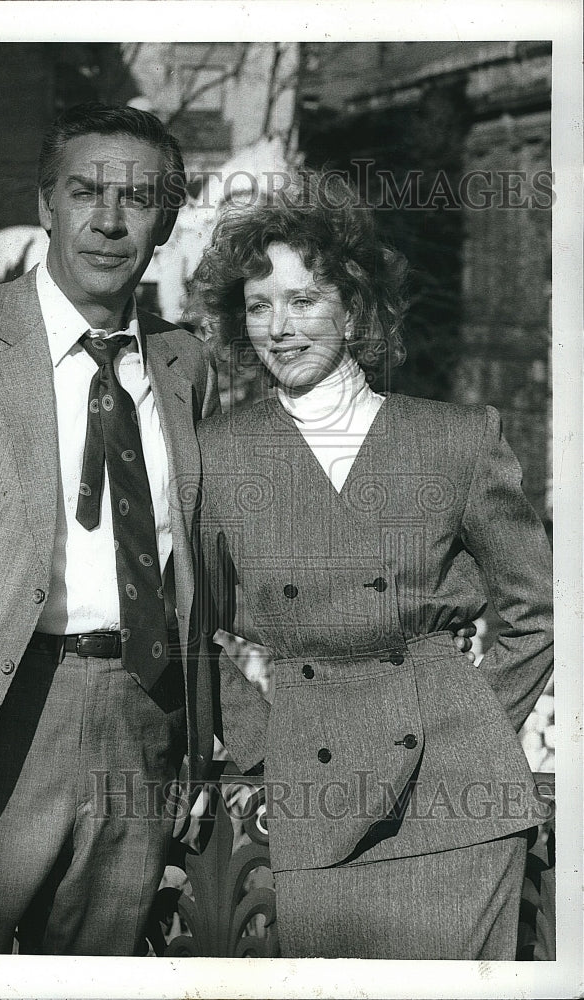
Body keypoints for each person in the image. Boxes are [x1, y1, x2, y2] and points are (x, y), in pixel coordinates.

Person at [0, 102, 270, 955]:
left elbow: (191, 575)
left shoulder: (184, 365)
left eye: (139, 199)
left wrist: (193, 744)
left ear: (166, 221)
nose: (109, 222)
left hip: (138, 729)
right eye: (86, 192)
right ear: (46, 205)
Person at [193, 171, 554, 960]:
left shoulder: (455, 437)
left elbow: (538, 607)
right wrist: (259, 740)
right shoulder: (221, 452)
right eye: (259, 305)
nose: (279, 328)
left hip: (458, 798)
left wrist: (473, 722)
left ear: (352, 310)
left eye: (302, 300)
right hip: (315, 796)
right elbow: (190, 619)